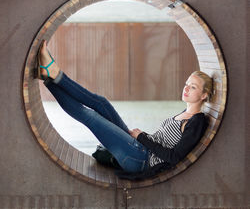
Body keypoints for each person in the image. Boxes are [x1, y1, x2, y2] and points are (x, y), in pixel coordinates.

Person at [37, 40, 213, 180]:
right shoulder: (184, 112)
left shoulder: (196, 121)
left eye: (194, 87)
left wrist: (142, 137)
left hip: (142, 160)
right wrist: (141, 138)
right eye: (186, 84)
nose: (187, 89)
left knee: (91, 116)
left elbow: (174, 157)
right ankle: (49, 76)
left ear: (204, 95)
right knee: (101, 103)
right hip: (139, 147)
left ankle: (52, 74)